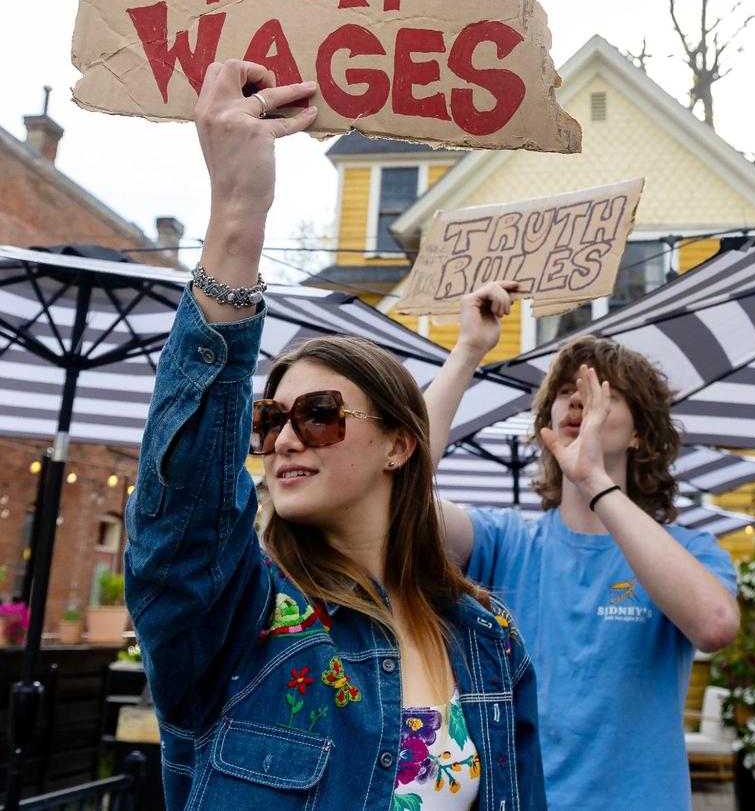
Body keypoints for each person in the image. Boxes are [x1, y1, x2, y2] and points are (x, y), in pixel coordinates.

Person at [124, 60, 546, 811]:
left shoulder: (487, 637)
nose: (285, 438)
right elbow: (182, 507)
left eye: (318, 413)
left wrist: (469, 349)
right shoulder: (237, 616)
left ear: (398, 444)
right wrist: (237, 217)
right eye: (268, 419)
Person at [425, 283, 740, 811]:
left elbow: (715, 625)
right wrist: (468, 351)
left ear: (640, 433)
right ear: (547, 420)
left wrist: (595, 481)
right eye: (567, 392)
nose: (579, 402)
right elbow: (397, 495)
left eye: (603, 394)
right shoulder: (505, 540)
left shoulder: (688, 550)